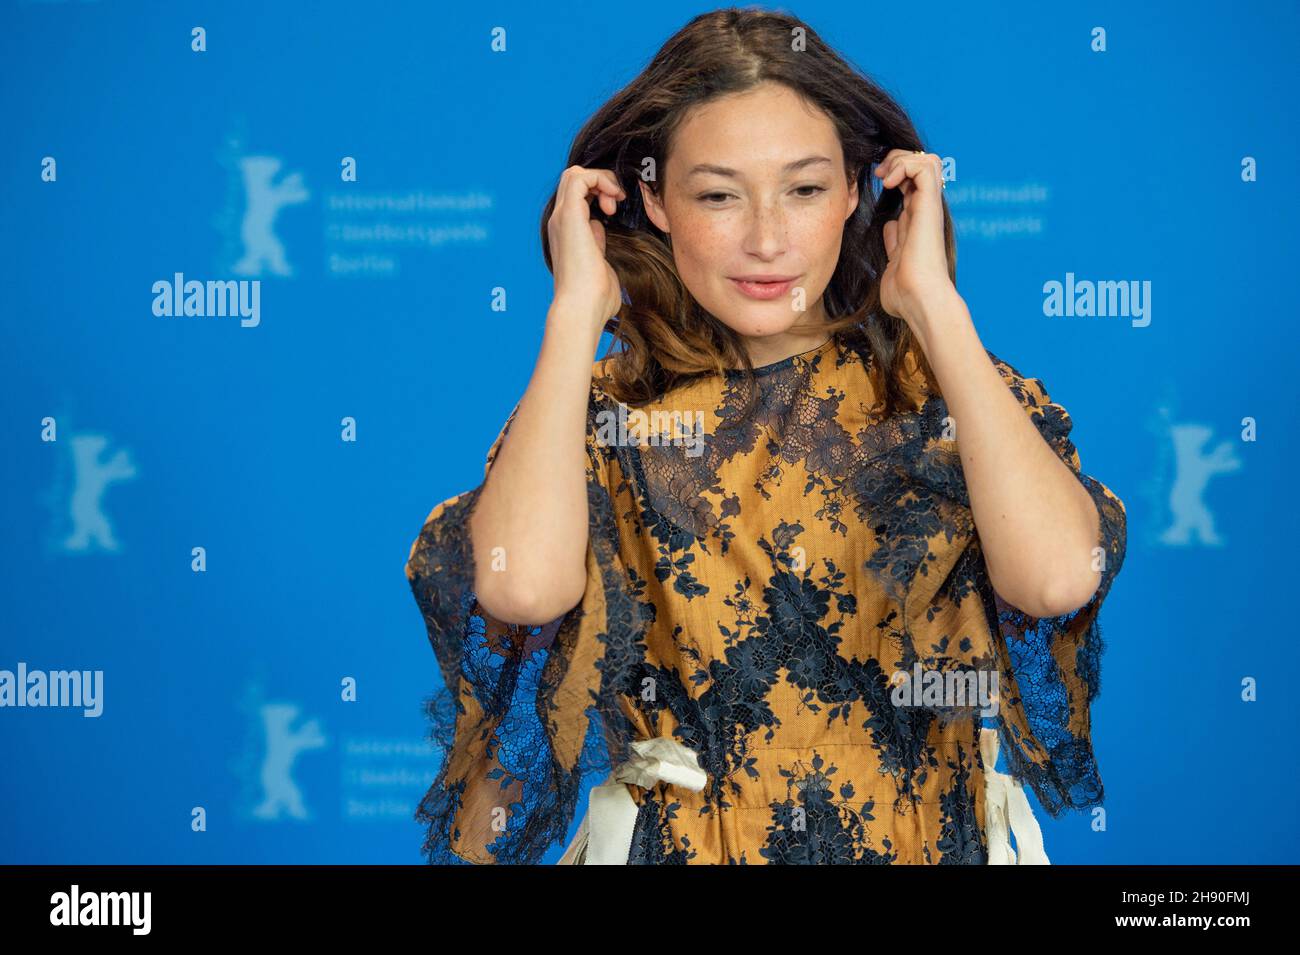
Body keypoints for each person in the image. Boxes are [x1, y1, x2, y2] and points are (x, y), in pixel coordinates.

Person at [405, 8, 1127, 865]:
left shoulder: (948, 395)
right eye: (717, 194)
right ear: (652, 200)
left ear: (859, 191)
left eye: (806, 188)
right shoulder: (598, 413)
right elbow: (519, 589)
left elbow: (1054, 579)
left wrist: (935, 304)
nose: (767, 238)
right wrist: (573, 314)